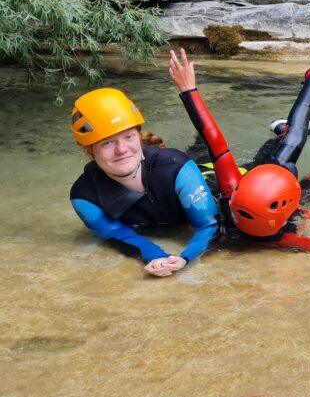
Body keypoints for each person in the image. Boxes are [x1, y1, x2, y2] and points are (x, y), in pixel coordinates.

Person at [170, 48, 310, 261]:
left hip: (246, 182)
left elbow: (213, 139)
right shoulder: (285, 238)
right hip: (261, 186)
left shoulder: (231, 190)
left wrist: (188, 91)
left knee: (290, 140)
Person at [69, 87, 220, 277]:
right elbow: (119, 235)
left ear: (139, 138)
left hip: (208, 176)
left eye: (128, 137)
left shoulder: (176, 168)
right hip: (167, 164)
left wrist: (185, 258)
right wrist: (157, 257)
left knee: (212, 150)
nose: (121, 149)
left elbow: (209, 225)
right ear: (90, 151)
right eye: (107, 142)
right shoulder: (85, 196)